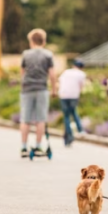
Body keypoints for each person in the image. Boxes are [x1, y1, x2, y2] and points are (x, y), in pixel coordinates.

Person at [19, 29, 57, 157]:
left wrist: (23, 86)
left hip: (27, 89)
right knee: (41, 119)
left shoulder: (26, 54)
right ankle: (38, 145)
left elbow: (22, 73)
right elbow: (52, 74)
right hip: (41, 88)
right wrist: (54, 90)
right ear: (44, 41)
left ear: (31, 41)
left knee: (25, 119)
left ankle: (24, 147)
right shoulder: (48, 55)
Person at [58, 59, 86, 146]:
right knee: (73, 112)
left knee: (66, 116)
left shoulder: (66, 72)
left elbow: (60, 81)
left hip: (63, 95)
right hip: (73, 96)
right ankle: (80, 130)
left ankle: (69, 135)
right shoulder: (81, 74)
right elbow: (81, 86)